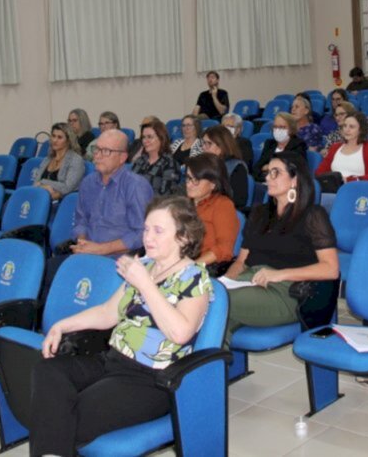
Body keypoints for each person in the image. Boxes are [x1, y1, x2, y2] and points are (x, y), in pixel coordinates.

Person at [29, 196, 213, 456]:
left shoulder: (195, 277)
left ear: (183, 238)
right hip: (112, 360)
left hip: (151, 379)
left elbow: (180, 333)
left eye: (158, 230)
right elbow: (108, 313)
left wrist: (145, 285)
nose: (148, 237)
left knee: (65, 415)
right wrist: (61, 325)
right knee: (48, 371)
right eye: (146, 229)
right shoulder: (145, 265)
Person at [224, 152, 338, 340]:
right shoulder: (259, 213)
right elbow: (241, 262)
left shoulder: (312, 215)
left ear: (295, 180)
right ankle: (206, 366)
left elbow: (331, 269)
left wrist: (278, 274)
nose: (268, 178)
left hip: (285, 291)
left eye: (276, 173)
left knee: (212, 303)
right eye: (268, 172)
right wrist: (224, 283)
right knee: (213, 319)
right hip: (250, 281)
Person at [65, 130, 153, 257]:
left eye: (106, 151)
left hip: (120, 259)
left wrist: (101, 249)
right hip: (87, 252)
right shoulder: (87, 183)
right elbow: (81, 220)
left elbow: (142, 233)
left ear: (122, 157)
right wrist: (83, 243)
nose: (98, 156)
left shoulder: (136, 186)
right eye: (97, 149)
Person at [185, 154, 239, 270]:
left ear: (213, 184)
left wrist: (190, 268)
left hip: (204, 266)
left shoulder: (223, 205)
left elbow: (224, 249)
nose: (189, 184)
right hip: (181, 260)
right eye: (188, 178)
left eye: (196, 180)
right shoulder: (184, 203)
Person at [315, 112, 368, 183]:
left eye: (351, 127)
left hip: (358, 188)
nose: (347, 130)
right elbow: (319, 172)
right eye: (345, 126)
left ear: (361, 130)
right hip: (334, 189)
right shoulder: (335, 147)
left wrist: (348, 180)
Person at [32, 123, 86, 200]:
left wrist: (44, 182)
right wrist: (46, 187)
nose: (54, 140)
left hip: (63, 201)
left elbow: (67, 187)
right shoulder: (47, 159)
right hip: (41, 198)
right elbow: (35, 183)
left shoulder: (76, 160)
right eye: (53, 136)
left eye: (59, 137)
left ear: (68, 141)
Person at [201, 125, 250, 211]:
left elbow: (239, 201)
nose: (204, 148)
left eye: (209, 144)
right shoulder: (203, 165)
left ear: (221, 146)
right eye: (203, 143)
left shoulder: (236, 167)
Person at [130, 119, 180, 197]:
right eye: (143, 137)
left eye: (149, 137)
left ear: (161, 138)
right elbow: (128, 187)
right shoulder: (140, 161)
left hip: (154, 206)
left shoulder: (169, 164)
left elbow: (165, 196)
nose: (145, 141)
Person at [254, 112, 307, 181]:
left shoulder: (298, 145)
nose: (278, 130)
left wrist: (268, 166)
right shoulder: (270, 144)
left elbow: (293, 169)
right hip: (264, 180)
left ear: (291, 129)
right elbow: (257, 168)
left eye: (282, 127)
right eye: (275, 127)